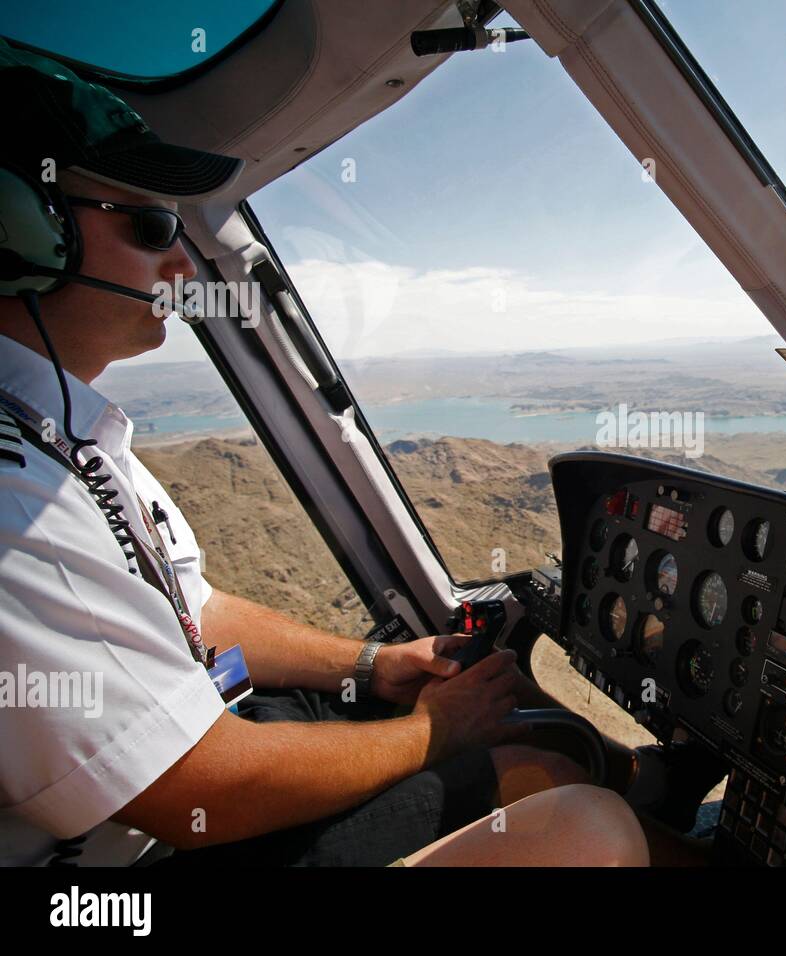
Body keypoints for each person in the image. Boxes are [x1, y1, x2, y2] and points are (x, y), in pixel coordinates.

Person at [0, 39, 648, 867]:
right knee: (580, 823)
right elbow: (196, 789)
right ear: (21, 231)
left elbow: (196, 609)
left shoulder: (64, 432)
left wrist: (375, 666)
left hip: (175, 795)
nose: (177, 260)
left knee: (518, 737)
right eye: (151, 223)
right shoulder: (19, 501)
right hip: (118, 871)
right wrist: (430, 734)